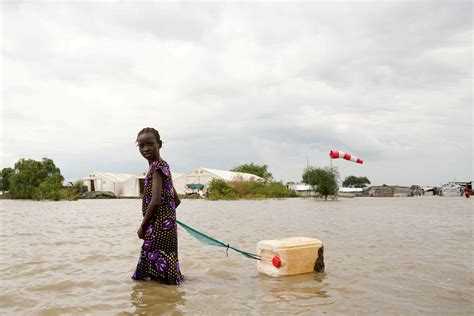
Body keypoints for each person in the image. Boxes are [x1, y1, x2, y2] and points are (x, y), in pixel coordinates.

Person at [132, 127, 183, 285]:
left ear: (159, 144)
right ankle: (165, 296)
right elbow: (176, 200)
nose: (146, 149)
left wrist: (143, 226)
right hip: (167, 228)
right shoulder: (164, 166)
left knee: (149, 272)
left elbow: (155, 201)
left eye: (150, 144)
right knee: (163, 267)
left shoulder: (156, 168)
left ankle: (155, 302)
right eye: (141, 145)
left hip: (158, 228)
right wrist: (168, 217)